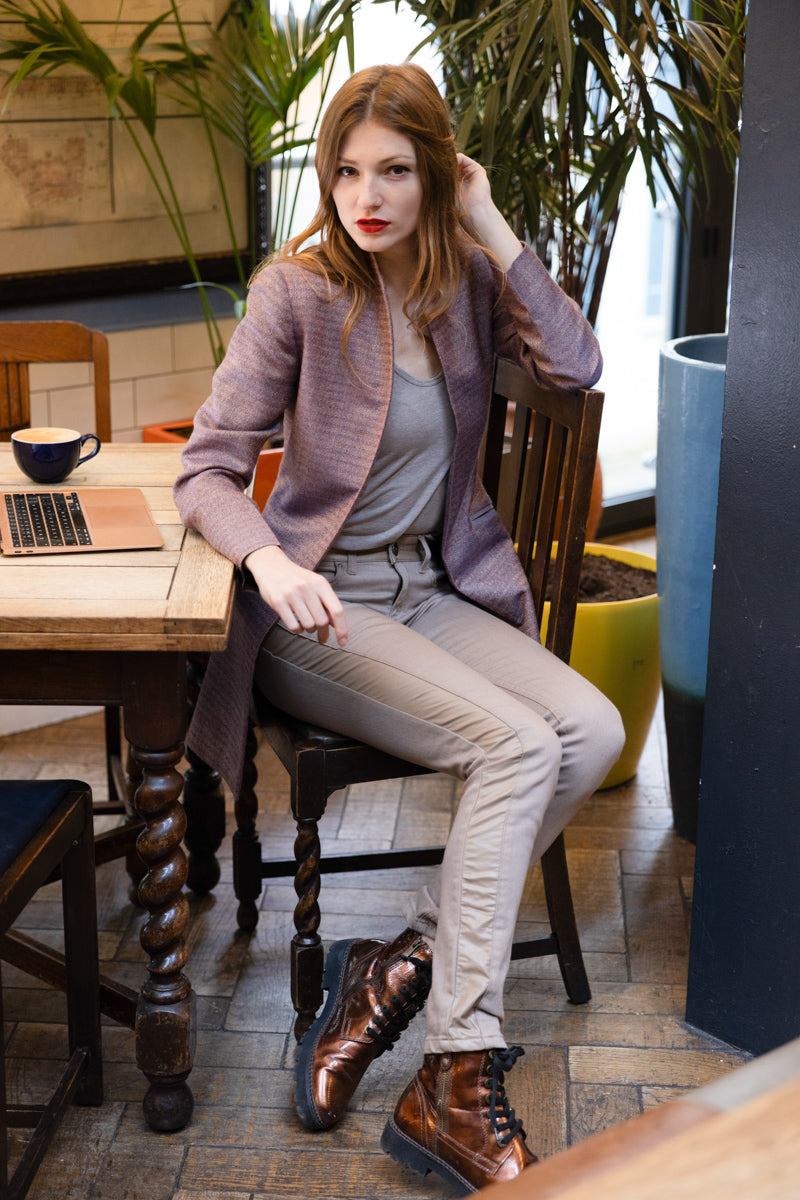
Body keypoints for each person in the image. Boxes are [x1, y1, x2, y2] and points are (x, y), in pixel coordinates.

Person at [175, 62, 625, 1195]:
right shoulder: (297, 292)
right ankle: (453, 1074)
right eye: (343, 170)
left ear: (433, 175)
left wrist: (488, 217)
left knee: (590, 730)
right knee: (517, 745)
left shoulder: (464, 279)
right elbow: (205, 470)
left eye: (394, 171)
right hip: (318, 607)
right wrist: (269, 561)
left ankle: (395, 965)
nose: (364, 196)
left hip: (431, 590)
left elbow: (575, 366)